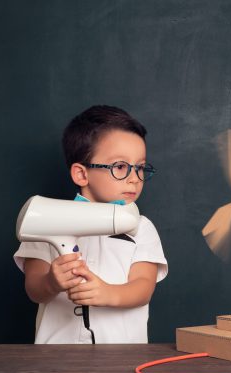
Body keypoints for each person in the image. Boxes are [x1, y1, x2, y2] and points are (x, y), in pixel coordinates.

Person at [13, 105, 168, 344]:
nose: (134, 178)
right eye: (120, 167)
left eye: (139, 167)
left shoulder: (141, 227)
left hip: (121, 359)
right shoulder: (47, 220)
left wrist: (108, 293)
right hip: (55, 360)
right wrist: (52, 282)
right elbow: (34, 288)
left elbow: (143, 287)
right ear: (81, 174)